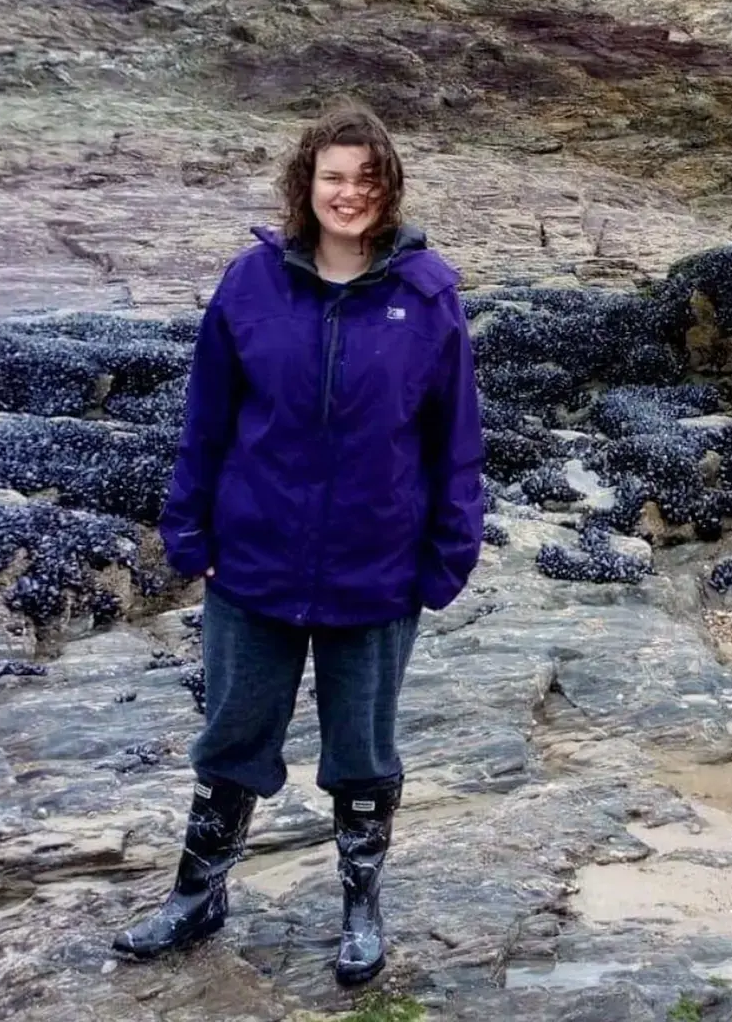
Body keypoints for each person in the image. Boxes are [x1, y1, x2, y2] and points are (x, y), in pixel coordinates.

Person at [112, 102, 484, 986]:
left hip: (376, 568)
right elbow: (205, 420)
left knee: (362, 751)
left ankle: (360, 904)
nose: (348, 194)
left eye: (365, 178)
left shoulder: (427, 296)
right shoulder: (250, 285)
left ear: (387, 187)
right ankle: (197, 895)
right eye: (332, 177)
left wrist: (448, 554)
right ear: (304, 185)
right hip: (255, 558)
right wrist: (188, 527)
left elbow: (455, 440)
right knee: (233, 735)